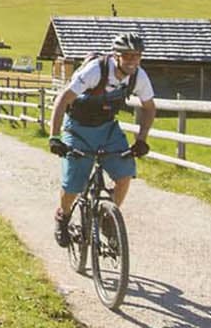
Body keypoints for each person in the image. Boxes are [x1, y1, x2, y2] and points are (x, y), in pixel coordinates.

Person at [49, 32, 156, 247]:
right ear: (117, 56)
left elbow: (149, 107)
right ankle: (63, 216)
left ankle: (109, 218)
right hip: (78, 128)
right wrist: (55, 136)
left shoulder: (138, 76)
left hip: (107, 128)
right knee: (72, 185)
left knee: (125, 173)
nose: (133, 61)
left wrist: (142, 139)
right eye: (127, 56)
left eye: (137, 56)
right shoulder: (96, 70)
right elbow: (63, 99)